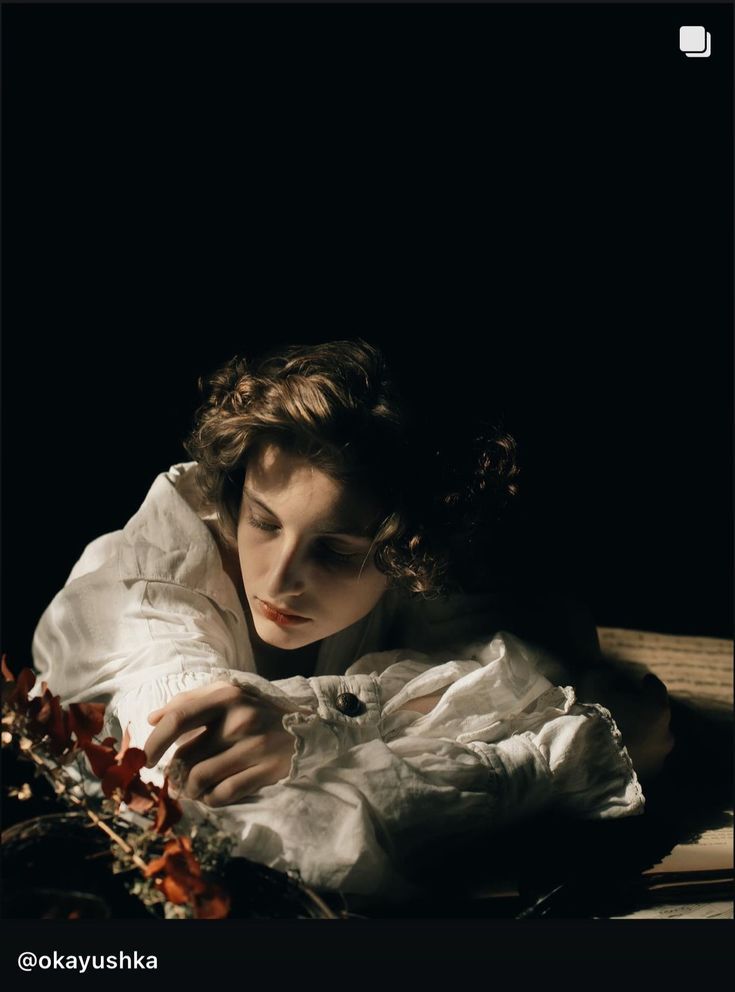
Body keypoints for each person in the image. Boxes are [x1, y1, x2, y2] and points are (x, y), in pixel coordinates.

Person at [31, 339, 674, 901]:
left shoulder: (424, 548)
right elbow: (273, 835)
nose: (280, 579)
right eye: (264, 521)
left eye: (337, 552)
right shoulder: (135, 594)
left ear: (409, 554)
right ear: (235, 493)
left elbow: (533, 668)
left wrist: (323, 726)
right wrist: (573, 757)